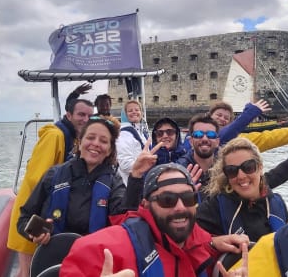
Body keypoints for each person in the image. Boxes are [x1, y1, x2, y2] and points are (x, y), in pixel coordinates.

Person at [60, 163, 250, 276]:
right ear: (146, 204)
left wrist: (214, 243)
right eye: (167, 200)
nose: (180, 207)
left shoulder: (205, 247)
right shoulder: (102, 250)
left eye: (188, 198)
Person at [7, 98, 94, 277]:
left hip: (46, 216)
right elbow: (37, 178)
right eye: (81, 114)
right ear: (68, 115)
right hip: (34, 214)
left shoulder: (73, 138)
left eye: (89, 116)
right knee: (28, 271)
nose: (85, 119)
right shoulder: (55, 136)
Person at [16, 117, 125, 244]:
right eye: (90, 138)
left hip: (93, 257)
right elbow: (24, 218)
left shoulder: (114, 182)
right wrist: (36, 233)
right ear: (79, 143)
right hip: (54, 257)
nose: (96, 143)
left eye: (103, 141)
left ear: (110, 150)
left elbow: (124, 219)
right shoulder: (53, 175)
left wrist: (136, 178)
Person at [196, 134, 288, 242]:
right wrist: (213, 242)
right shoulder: (215, 206)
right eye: (232, 170)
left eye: (248, 167)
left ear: (260, 168)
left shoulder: (276, 202)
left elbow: (276, 175)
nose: (241, 176)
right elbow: (185, 236)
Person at [184, 100, 288, 153]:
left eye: (227, 118)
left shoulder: (240, 140)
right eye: (219, 115)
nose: (222, 119)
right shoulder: (191, 138)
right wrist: (250, 113)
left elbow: (272, 138)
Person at [116, 100, 150, 185]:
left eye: (137, 110)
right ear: (125, 114)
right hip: (130, 183)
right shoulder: (124, 134)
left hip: (142, 181)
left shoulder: (141, 132)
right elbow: (124, 163)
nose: (134, 112)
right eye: (130, 111)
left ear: (141, 112)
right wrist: (144, 165)